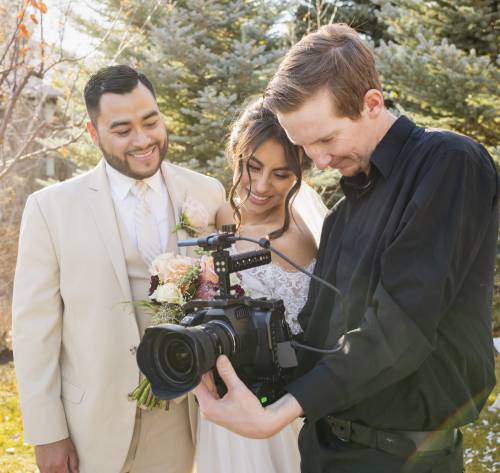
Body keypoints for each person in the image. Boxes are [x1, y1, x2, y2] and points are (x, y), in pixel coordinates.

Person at [193, 24, 499, 473]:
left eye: (326, 139)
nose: (317, 161)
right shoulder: (341, 216)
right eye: (304, 147)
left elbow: (401, 327)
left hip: (401, 459)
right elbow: (318, 340)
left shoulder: (449, 163)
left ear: (372, 103)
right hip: (323, 452)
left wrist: (279, 414)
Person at [12, 65, 225, 473]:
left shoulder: (206, 192)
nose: (143, 140)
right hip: (92, 427)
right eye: (123, 130)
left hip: (189, 420)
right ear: (94, 135)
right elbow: (33, 329)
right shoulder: (50, 209)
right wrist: (47, 433)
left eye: (151, 121)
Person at [195, 99, 327, 473]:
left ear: (299, 175)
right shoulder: (223, 215)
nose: (262, 185)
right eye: (253, 167)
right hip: (222, 403)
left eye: (281, 174)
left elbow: (302, 336)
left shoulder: (294, 239)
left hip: (268, 406)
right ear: (237, 156)